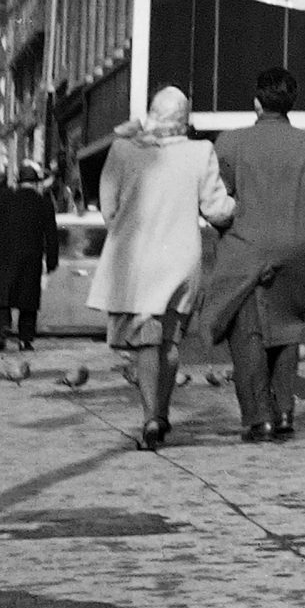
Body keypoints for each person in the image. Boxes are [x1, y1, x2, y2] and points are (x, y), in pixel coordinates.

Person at [200, 67, 305, 443]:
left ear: (257, 101)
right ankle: (283, 413)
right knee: (285, 331)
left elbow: (218, 202)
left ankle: (258, 417)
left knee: (247, 332)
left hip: (245, 248)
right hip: (296, 250)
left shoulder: (229, 143)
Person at [88, 89, 234, 450]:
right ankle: (163, 413)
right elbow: (216, 209)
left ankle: (151, 416)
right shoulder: (201, 152)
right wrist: (238, 206)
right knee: (170, 340)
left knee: (145, 339)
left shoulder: (122, 150)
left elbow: (108, 206)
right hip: (180, 258)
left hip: (137, 260)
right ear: (185, 119)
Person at [0, 164, 61, 352]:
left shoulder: (3, 201)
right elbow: (51, 236)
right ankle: (25, 339)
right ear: (35, 183)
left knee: (3, 296)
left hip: (3, 257)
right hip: (30, 259)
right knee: (28, 301)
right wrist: (51, 261)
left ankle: (4, 328)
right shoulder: (43, 203)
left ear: (18, 182)